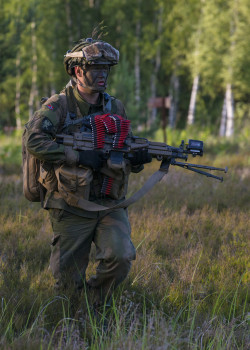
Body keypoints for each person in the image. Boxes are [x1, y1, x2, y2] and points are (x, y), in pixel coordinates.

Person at [25, 38, 151, 310]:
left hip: (108, 202)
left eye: (107, 68)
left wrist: (139, 159)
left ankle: (95, 305)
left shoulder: (115, 107)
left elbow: (123, 149)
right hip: (70, 203)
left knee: (121, 256)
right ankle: (72, 319)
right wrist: (77, 156)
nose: (103, 74)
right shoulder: (57, 106)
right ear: (77, 71)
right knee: (67, 281)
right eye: (96, 67)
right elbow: (33, 141)